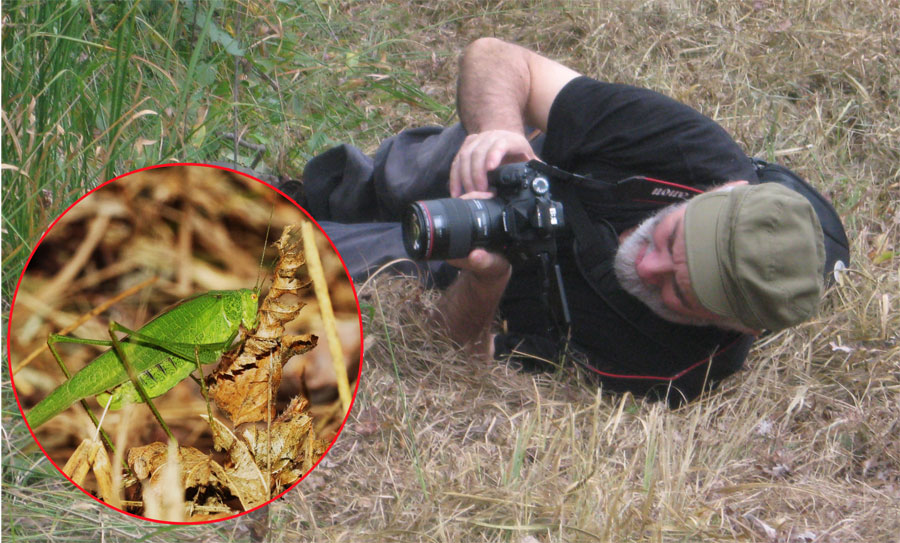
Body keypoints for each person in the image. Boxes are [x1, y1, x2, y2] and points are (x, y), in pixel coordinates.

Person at [291, 38, 827, 404]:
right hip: (525, 163)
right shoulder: (691, 152)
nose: (647, 262)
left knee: (348, 265)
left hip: (483, 278)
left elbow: (455, 355)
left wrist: (484, 280)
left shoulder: (670, 366)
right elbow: (497, 58)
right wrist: (499, 138)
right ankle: (326, 191)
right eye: (668, 234)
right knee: (405, 174)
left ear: (734, 327)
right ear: (718, 192)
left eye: (677, 291)